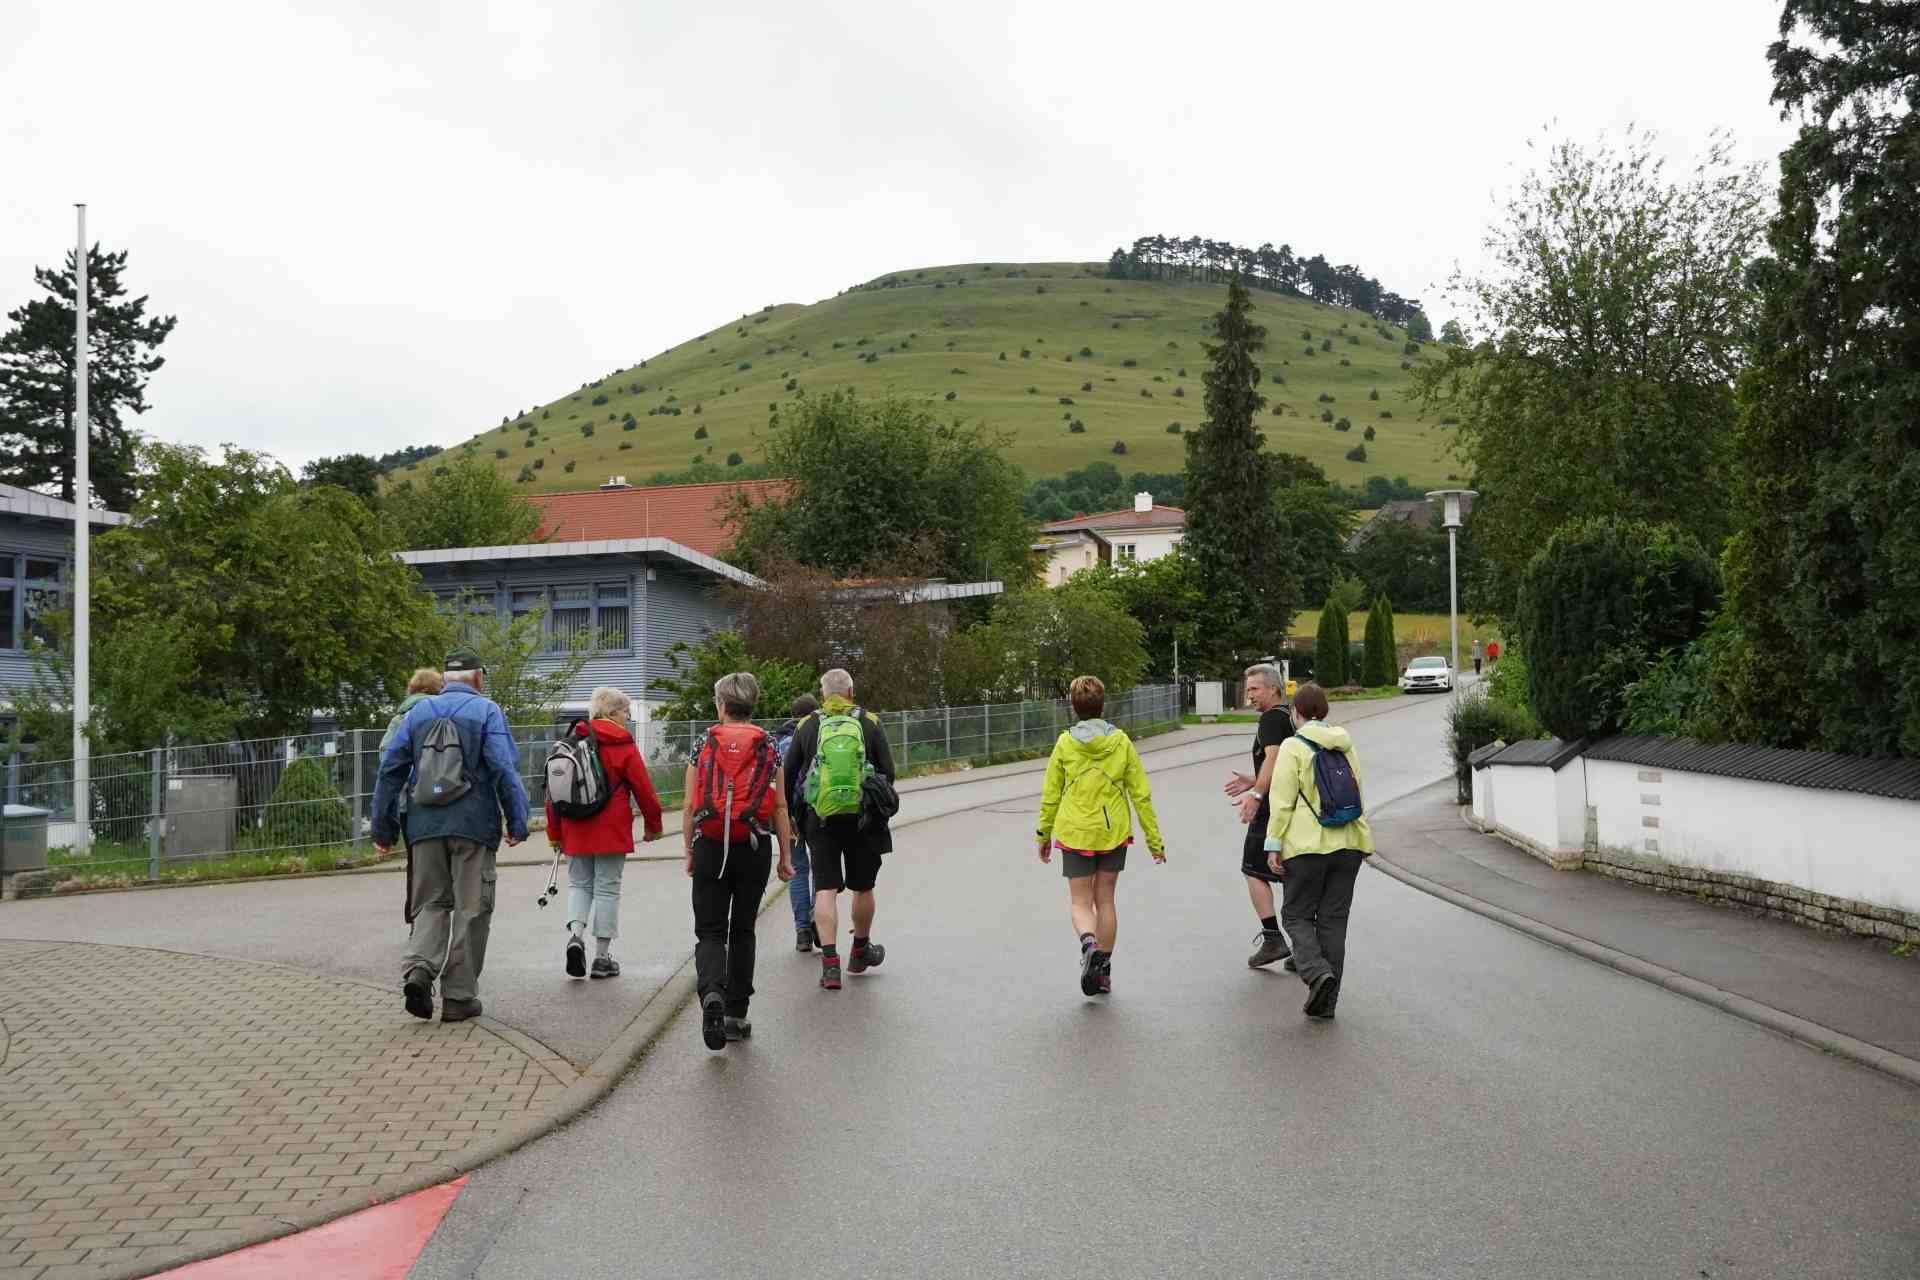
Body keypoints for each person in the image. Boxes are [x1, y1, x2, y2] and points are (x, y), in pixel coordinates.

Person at [373, 646, 530, 1023]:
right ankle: (458, 997)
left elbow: (390, 770)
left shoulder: (417, 712)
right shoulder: (487, 711)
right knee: (472, 908)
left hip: (424, 826)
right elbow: (503, 768)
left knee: (430, 902)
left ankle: (419, 969)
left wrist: (383, 828)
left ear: (445, 680)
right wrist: (517, 820)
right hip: (473, 826)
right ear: (478, 678)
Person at [1035, 675, 1166, 996]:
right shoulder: (1121, 742)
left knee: (1080, 902)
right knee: (1105, 900)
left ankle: (1088, 944)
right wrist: (1154, 840)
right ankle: (1103, 971)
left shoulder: (1065, 743)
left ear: (1073, 707)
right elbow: (1141, 794)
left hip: (1075, 832)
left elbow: (1050, 794)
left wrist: (1043, 834)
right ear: (1102, 705)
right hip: (1113, 832)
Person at [684, 672, 795, 1049]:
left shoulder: (703, 741)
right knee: (743, 929)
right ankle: (735, 1014)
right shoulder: (769, 744)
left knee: (710, 930)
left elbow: (689, 805)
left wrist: (689, 850)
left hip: (710, 844)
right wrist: (786, 855)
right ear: (752, 704)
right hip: (754, 844)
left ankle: (711, 993)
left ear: (721, 705)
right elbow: (779, 806)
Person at [1263, 681, 1375, 1019]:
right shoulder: (1345, 744)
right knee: (1333, 922)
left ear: (1295, 713)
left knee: (1295, 915)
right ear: (1324, 711)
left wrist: (1273, 844)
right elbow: (1358, 792)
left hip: (1306, 846)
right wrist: (1362, 841)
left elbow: (1282, 801)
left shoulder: (1292, 746)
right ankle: (1327, 1002)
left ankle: (1315, 973)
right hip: (1349, 845)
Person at [781, 667, 898, 991]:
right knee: (864, 887)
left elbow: (789, 775)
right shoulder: (870, 722)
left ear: (823, 695)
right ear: (850, 692)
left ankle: (830, 966)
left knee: (825, 889)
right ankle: (860, 952)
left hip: (820, 819)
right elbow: (888, 772)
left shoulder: (807, 725)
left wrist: (792, 817)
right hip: (863, 819)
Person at [546, 686, 665, 980]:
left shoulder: (570, 741)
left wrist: (554, 832)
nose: (627, 717)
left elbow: (552, 793)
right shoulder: (622, 743)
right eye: (625, 711)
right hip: (611, 827)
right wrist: (653, 826)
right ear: (612, 713)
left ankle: (576, 937)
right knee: (607, 889)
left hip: (575, 827)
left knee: (579, 885)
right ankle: (601, 958)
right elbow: (644, 789)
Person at [1225, 663, 1294, 969]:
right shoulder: (1290, 717)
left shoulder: (1271, 718)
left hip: (1271, 810)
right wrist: (1254, 780)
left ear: (1273, 689)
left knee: (1253, 869)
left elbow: (1274, 758)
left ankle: (1273, 938)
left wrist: (1256, 795)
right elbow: (1285, 766)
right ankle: (1306, 945)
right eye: (1247, 688)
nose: (1249, 695)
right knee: (1291, 874)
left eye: (1254, 689)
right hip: (1293, 807)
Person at [774, 693, 820, 952]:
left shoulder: (779, 741)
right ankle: (818, 918)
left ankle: (802, 932)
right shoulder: (817, 736)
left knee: (798, 870)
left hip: (787, 815)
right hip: (815, 811)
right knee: (821, 868)